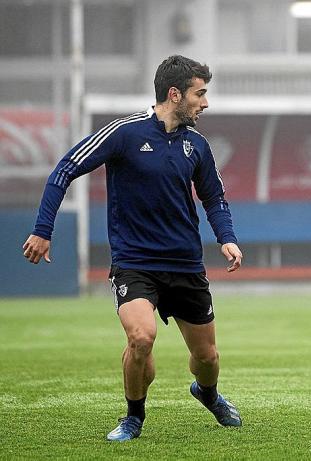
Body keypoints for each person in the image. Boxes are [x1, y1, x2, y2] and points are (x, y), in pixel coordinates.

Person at [22, 55, 244, 441]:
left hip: (185, 264)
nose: (205, 103)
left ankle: (207, 393)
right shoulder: (125, 133)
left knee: (207, 358)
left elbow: (215, 198)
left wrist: (227, 237)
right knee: (141, 339)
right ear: (174, 94)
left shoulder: (198, 146)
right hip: (135, 262)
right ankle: (133, 418)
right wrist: (43, 229)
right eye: (200, 94)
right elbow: (65, 169)